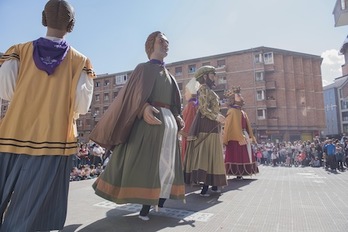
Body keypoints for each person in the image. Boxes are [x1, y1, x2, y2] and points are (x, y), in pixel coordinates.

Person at [0, 0, 95, 231]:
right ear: (71, 24)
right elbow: (82, 107)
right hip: (53, 139)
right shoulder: (80, 62)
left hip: (12, 134)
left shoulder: (17, 51)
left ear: (44, 18)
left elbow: (6, 91)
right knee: (30, 207)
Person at [89, 31, 185, 221]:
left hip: (168, 128)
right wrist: (143, 108)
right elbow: (134, 95)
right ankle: (145, 206)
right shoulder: (143, 69)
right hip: (149, 125)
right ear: (151, 45)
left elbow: (175, 103)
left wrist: (178, 116)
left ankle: (161, 196)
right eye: (162, 41)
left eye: (167, 42)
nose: (166, 44)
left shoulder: (170, 75)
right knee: (147, 164)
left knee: (166, 165)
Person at [183, 65, 227, 196]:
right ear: (205, 77)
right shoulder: (203, 89)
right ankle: (205, 188)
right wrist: (216, 116)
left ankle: (213, 184)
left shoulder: (209, 90)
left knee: (213, 154)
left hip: (212, 124)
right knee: (207, 155)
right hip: (205, 125)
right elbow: (203, 108)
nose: (214, 78)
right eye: (212, 75)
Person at [223, 87, 259, 179]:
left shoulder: (242, 112)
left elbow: (247, 126)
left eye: (240, 95)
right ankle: (237, 172)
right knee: (237, 154)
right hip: (235, 137)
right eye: (238, 95)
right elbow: (228, 126)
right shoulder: (232, 111)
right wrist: (228, 137)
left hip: (244, 135)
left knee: (245, 154)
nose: (241, 97)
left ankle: (243, 172)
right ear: (233, 99)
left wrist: (250, 136)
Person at [180, 78, 199, 162]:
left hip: (189, 137)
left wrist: (181, 131)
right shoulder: (196, 104)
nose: (185, 94)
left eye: (186, 91)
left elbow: (189, 122)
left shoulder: (191, 105)